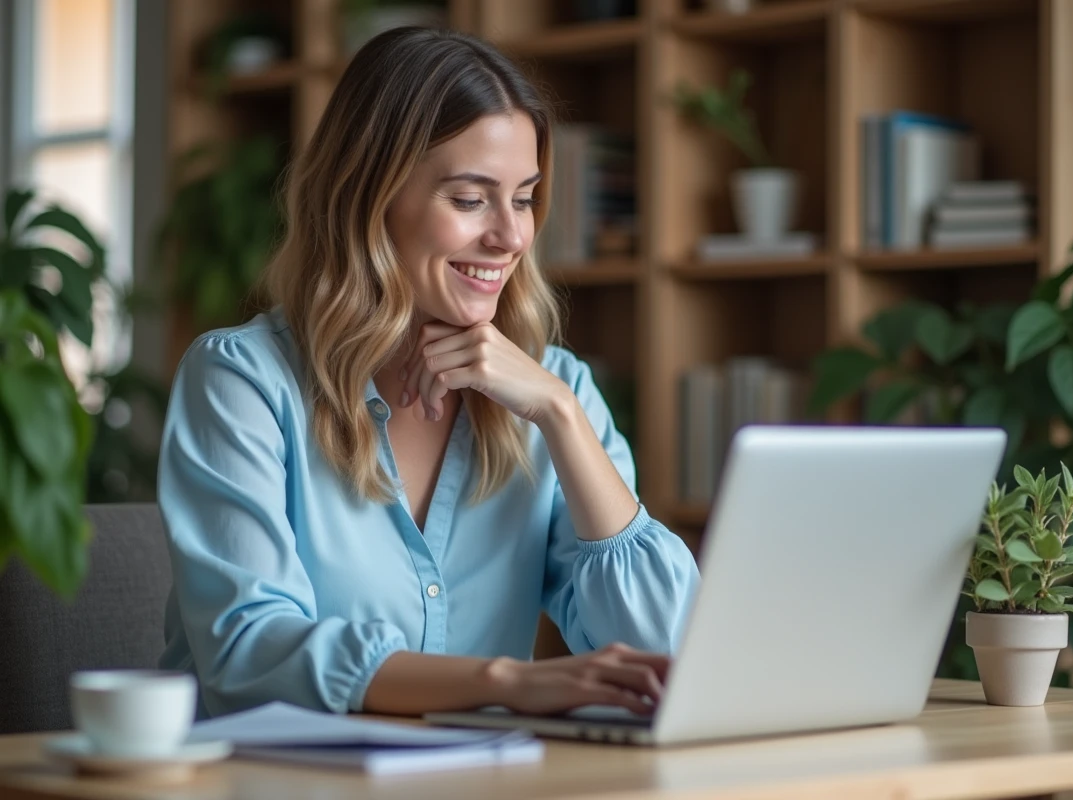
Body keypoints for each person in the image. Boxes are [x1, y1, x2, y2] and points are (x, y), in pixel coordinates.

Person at [156, 26, 700, 720]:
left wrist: (561, 416)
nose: (510, 236)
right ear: (370, 199)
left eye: (525, 197)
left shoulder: (550, 391)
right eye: (471, 200)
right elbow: (251, 649)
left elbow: (664, 651)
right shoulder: (244, 383)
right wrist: (504, 682)